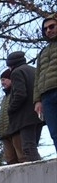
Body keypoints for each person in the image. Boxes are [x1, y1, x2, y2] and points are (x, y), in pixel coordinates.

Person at [4, 50, 42, 162]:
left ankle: (37, 174)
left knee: (28, 148)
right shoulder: (33, 70)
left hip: (25, 117)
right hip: (37, 114)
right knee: (33, 145)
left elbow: (20, 94)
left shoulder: (16, 72)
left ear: (11, 64)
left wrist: (10, 109)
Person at [35, 12, 57, 148]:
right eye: (45, 29)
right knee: (54, 132)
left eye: (52, 26)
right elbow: (37, 76)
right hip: (46, 96)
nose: (48, 30)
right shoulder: (42, 52)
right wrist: (37, 100)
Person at [0, 69, 19, 164]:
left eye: (4, 79)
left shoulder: (16, 93)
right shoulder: (4, 97)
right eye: (1, 80)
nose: (2, 83)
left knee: (22, 157)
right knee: (10, 160)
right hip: (5, 133)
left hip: (15, 130)